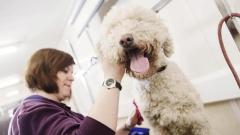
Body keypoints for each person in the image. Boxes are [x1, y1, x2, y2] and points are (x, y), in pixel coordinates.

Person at [8, 48, 142, 135]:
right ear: (44, 72)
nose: (71, 77)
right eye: (65, 71)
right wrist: (112, 78)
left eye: (72, 72)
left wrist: (127, 125)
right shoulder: (32, 112)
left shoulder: (52, 109)